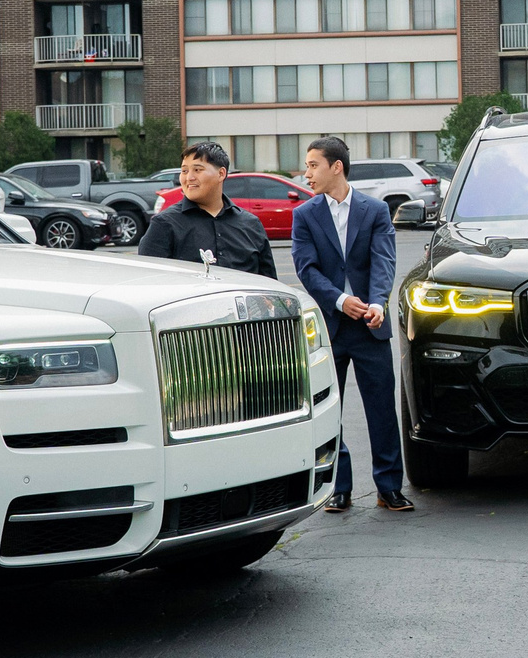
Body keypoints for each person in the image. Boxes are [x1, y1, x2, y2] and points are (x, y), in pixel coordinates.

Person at [292, 136, 411, 512]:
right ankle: (338, 487)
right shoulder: (305, 215)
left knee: (381, 410)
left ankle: (389, 486)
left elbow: (384, 261)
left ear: (336, 167)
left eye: (313, 165)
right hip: (330, 327)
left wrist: (377, 302)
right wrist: (341, 301)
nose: (306, 173)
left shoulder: (374, 210)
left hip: (371, 327)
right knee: (330, 411)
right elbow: (306, 270)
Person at [139, 141, 276, 277]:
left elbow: (269, 285)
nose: (189, 178)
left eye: (197, 170)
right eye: (184, 171)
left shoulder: (250, 224)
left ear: (221, 174)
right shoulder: (164, 224)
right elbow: (149, 283)